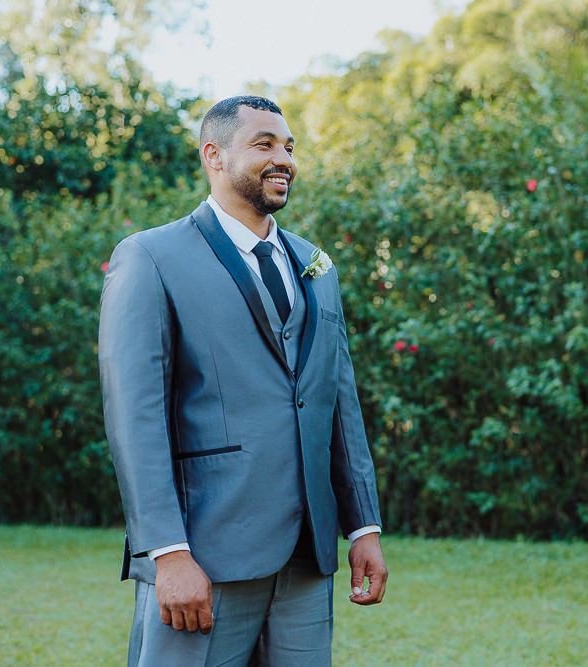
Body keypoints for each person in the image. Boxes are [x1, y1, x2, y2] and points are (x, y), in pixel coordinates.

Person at [98, 95, 387, 666]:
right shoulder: (151, 257)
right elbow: (135, 416)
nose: (283, 158)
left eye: (288, 146)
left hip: (307, 555)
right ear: (213, 154)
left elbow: (337, 404)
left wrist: (363, 527)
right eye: (264, 145)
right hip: (206, 552)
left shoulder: (316, 266)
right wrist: (168, 552)